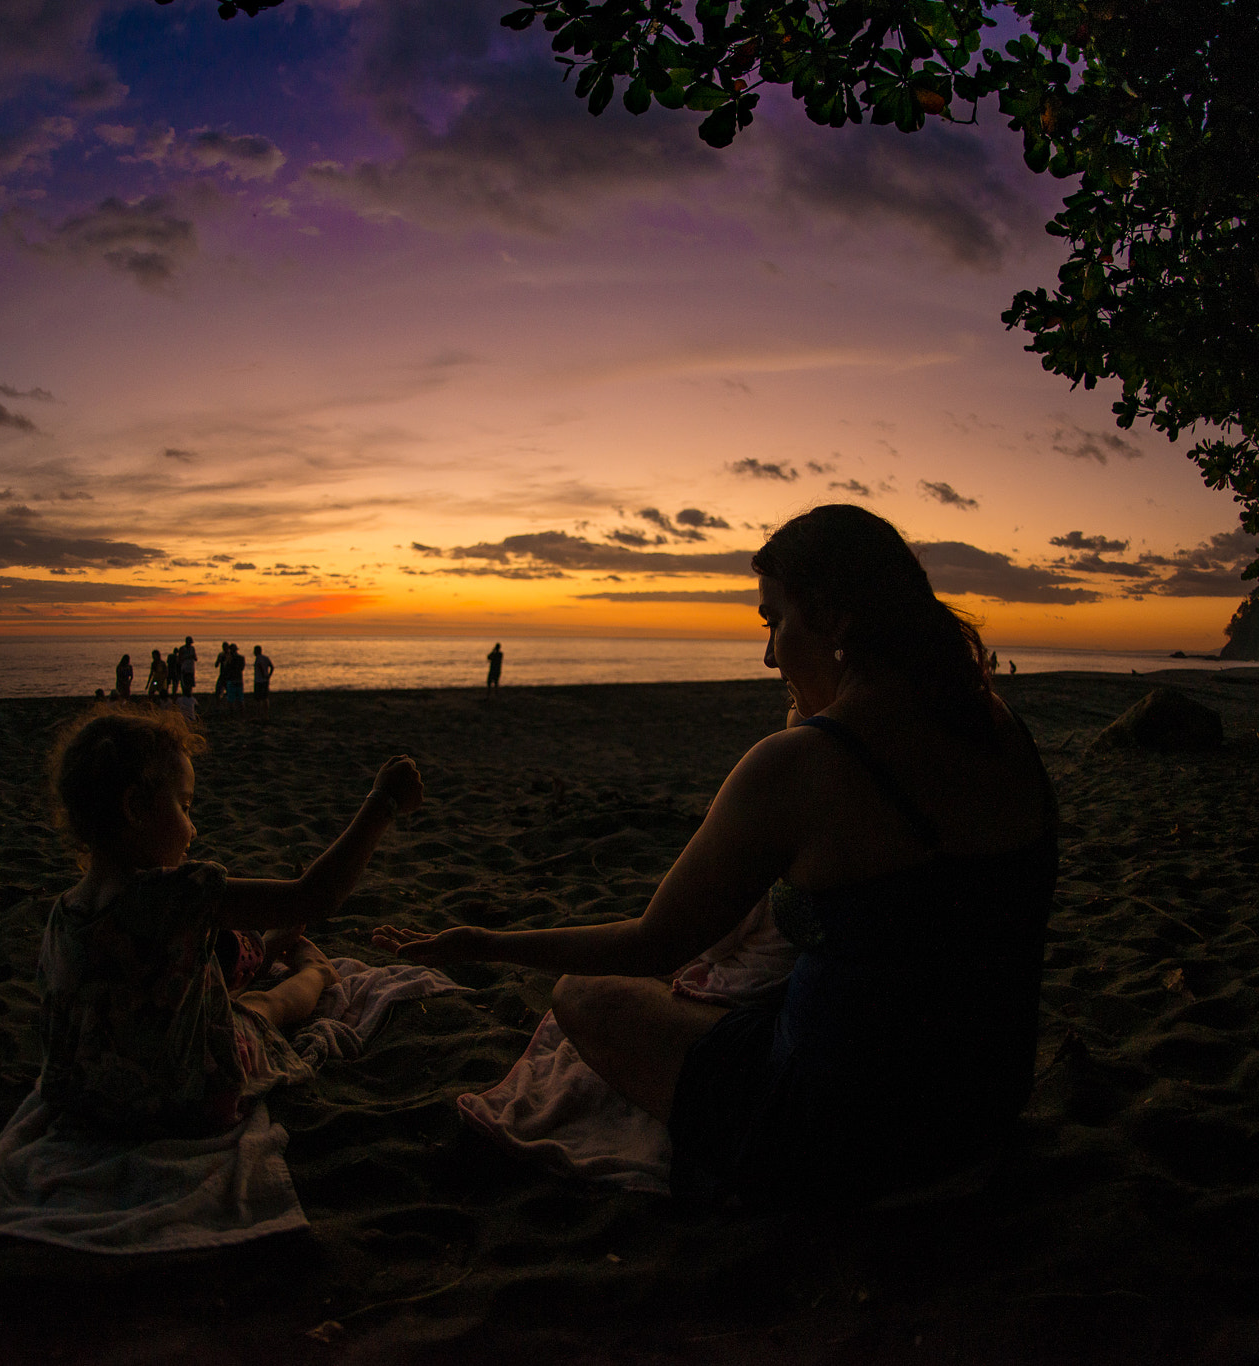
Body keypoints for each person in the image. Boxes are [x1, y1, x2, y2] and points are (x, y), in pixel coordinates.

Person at [374, 504, 1057, 1206]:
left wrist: (486, 941)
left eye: (774, 622)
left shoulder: (803, 765)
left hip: (847, 1137)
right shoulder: (1000, 727)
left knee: (583, 997)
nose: (767, 656)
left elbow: (651, 943)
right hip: (978, 1113)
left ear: (833, 618)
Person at [38, 704, 424, 1138]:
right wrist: (382, 803)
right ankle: (315, 973)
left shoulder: (64, 913)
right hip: (184, 1103)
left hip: (90, 1105)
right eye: (185, 807)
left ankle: (268, 946)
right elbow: (312, 896)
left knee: (201, 979)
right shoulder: (180, 894)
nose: (193, 829)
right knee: (259, 1009)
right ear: (136, 808)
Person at [250, 644, 275, 719]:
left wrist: (264, 674)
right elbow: (272, 667)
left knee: (258, 699)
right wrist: (269, 675)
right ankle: (266, 714)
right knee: (265, 698)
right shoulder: (266, 658)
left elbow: (260, 666)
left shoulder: (258, 658)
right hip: (265, 680)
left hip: (259, 681)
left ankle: (259, 714)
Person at [224, 643, 246, 716]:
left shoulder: (230, 659)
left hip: (232, 680)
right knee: (240, 699)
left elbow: (226, 669)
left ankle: (232, 714)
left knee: (231, 699)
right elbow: (242, 668)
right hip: (239, 679)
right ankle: (241, 714)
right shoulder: (241, 658)